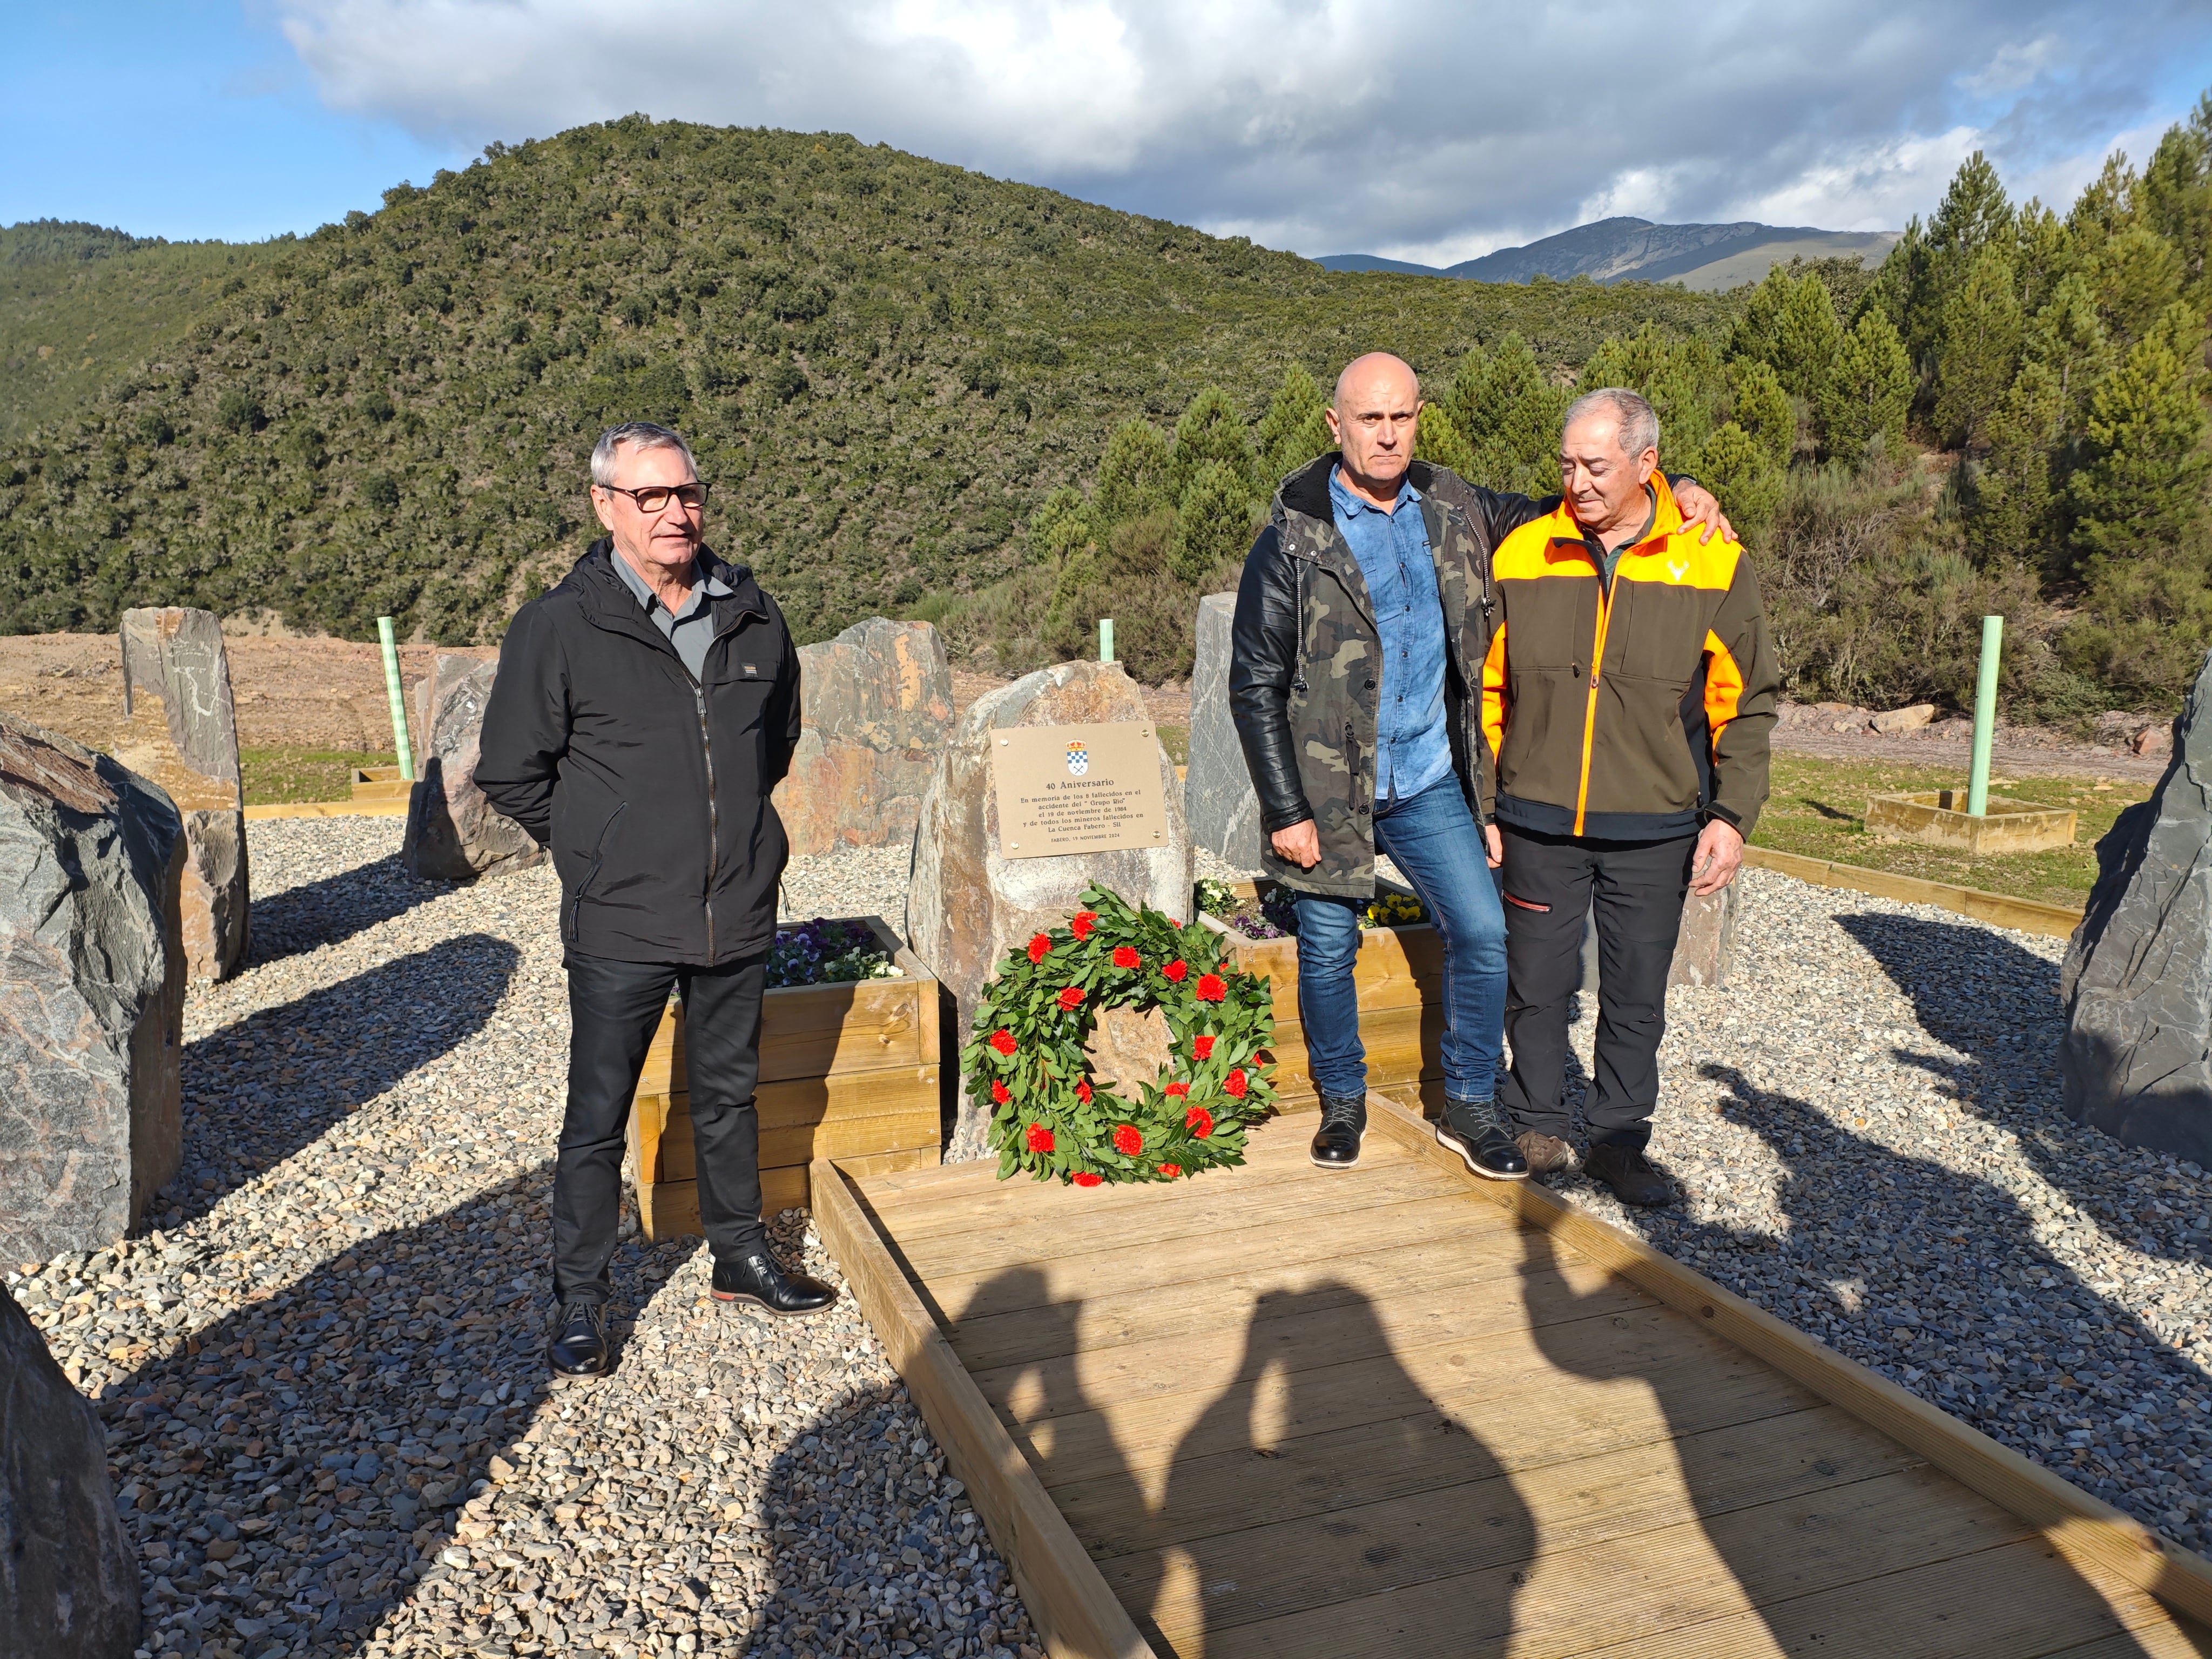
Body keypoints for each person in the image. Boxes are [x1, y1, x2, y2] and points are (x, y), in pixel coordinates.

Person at [1229, 355, 1734, 1179]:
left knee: (1485, 929)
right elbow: (1252, 682)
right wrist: (1286, 809)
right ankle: (1345, 1101)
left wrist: (1677, 489)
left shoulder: (1457, 507)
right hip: (1327, 792)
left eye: (1401, 417)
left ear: (1418, 416)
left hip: (1429, 778)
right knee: (1327, 948)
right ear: (1336, 426)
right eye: (1368, 419)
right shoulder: (1291, 536)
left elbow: (1570, 506)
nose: (1386, 435)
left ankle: (1468, 1102)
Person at [477, 420, 835, 1380]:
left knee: (726, 1095)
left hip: (737, 906)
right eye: (652, 497)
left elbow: (779, 738)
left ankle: (738, 1254)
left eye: (687, 494)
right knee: (597, 1111)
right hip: (622, 916)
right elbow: (512, 772)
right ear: (606, 506)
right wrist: (598, 852)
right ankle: (582, 1299)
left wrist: (740, 839)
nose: (677, 513)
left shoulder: (754, 614)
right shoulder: (560, 626)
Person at [1484, 388, 1779, 1206]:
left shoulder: (1713, 558)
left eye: (1596, 466)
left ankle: (1618, 1141)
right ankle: (1537, 1126)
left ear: (1648, 465)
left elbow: (1747, 699)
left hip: (1656, 824)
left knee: (1635, 991)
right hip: (1536, 816)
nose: (1575, 482)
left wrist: (1731, 816)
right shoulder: (1522, 552)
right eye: (1567, 463)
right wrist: (1487, 800)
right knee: (1537, 984)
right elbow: (1485, 686)